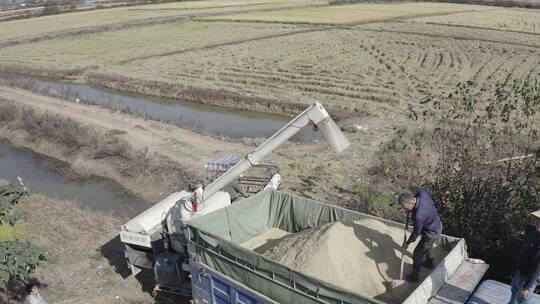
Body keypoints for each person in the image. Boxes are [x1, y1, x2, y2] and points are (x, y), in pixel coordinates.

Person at [398, 186, 443, 282]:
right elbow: (427, 188)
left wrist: (408, 242)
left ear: (411, 203)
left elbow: (416, 232)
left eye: (405, 207)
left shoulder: (418, 215)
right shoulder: (422, 194)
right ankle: (429, 263)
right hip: (436, 225)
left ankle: (414, 277)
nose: (405, 209)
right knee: (428, 246)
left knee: (417, 254)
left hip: (431, 232)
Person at [508, 209, 540, 304]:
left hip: (529, 278)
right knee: (514, 291)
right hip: (520, 272)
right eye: (536, 219)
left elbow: (538, 268)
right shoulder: (534, 232)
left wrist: (527, 287)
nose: (537, 221)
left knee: (522, 299)